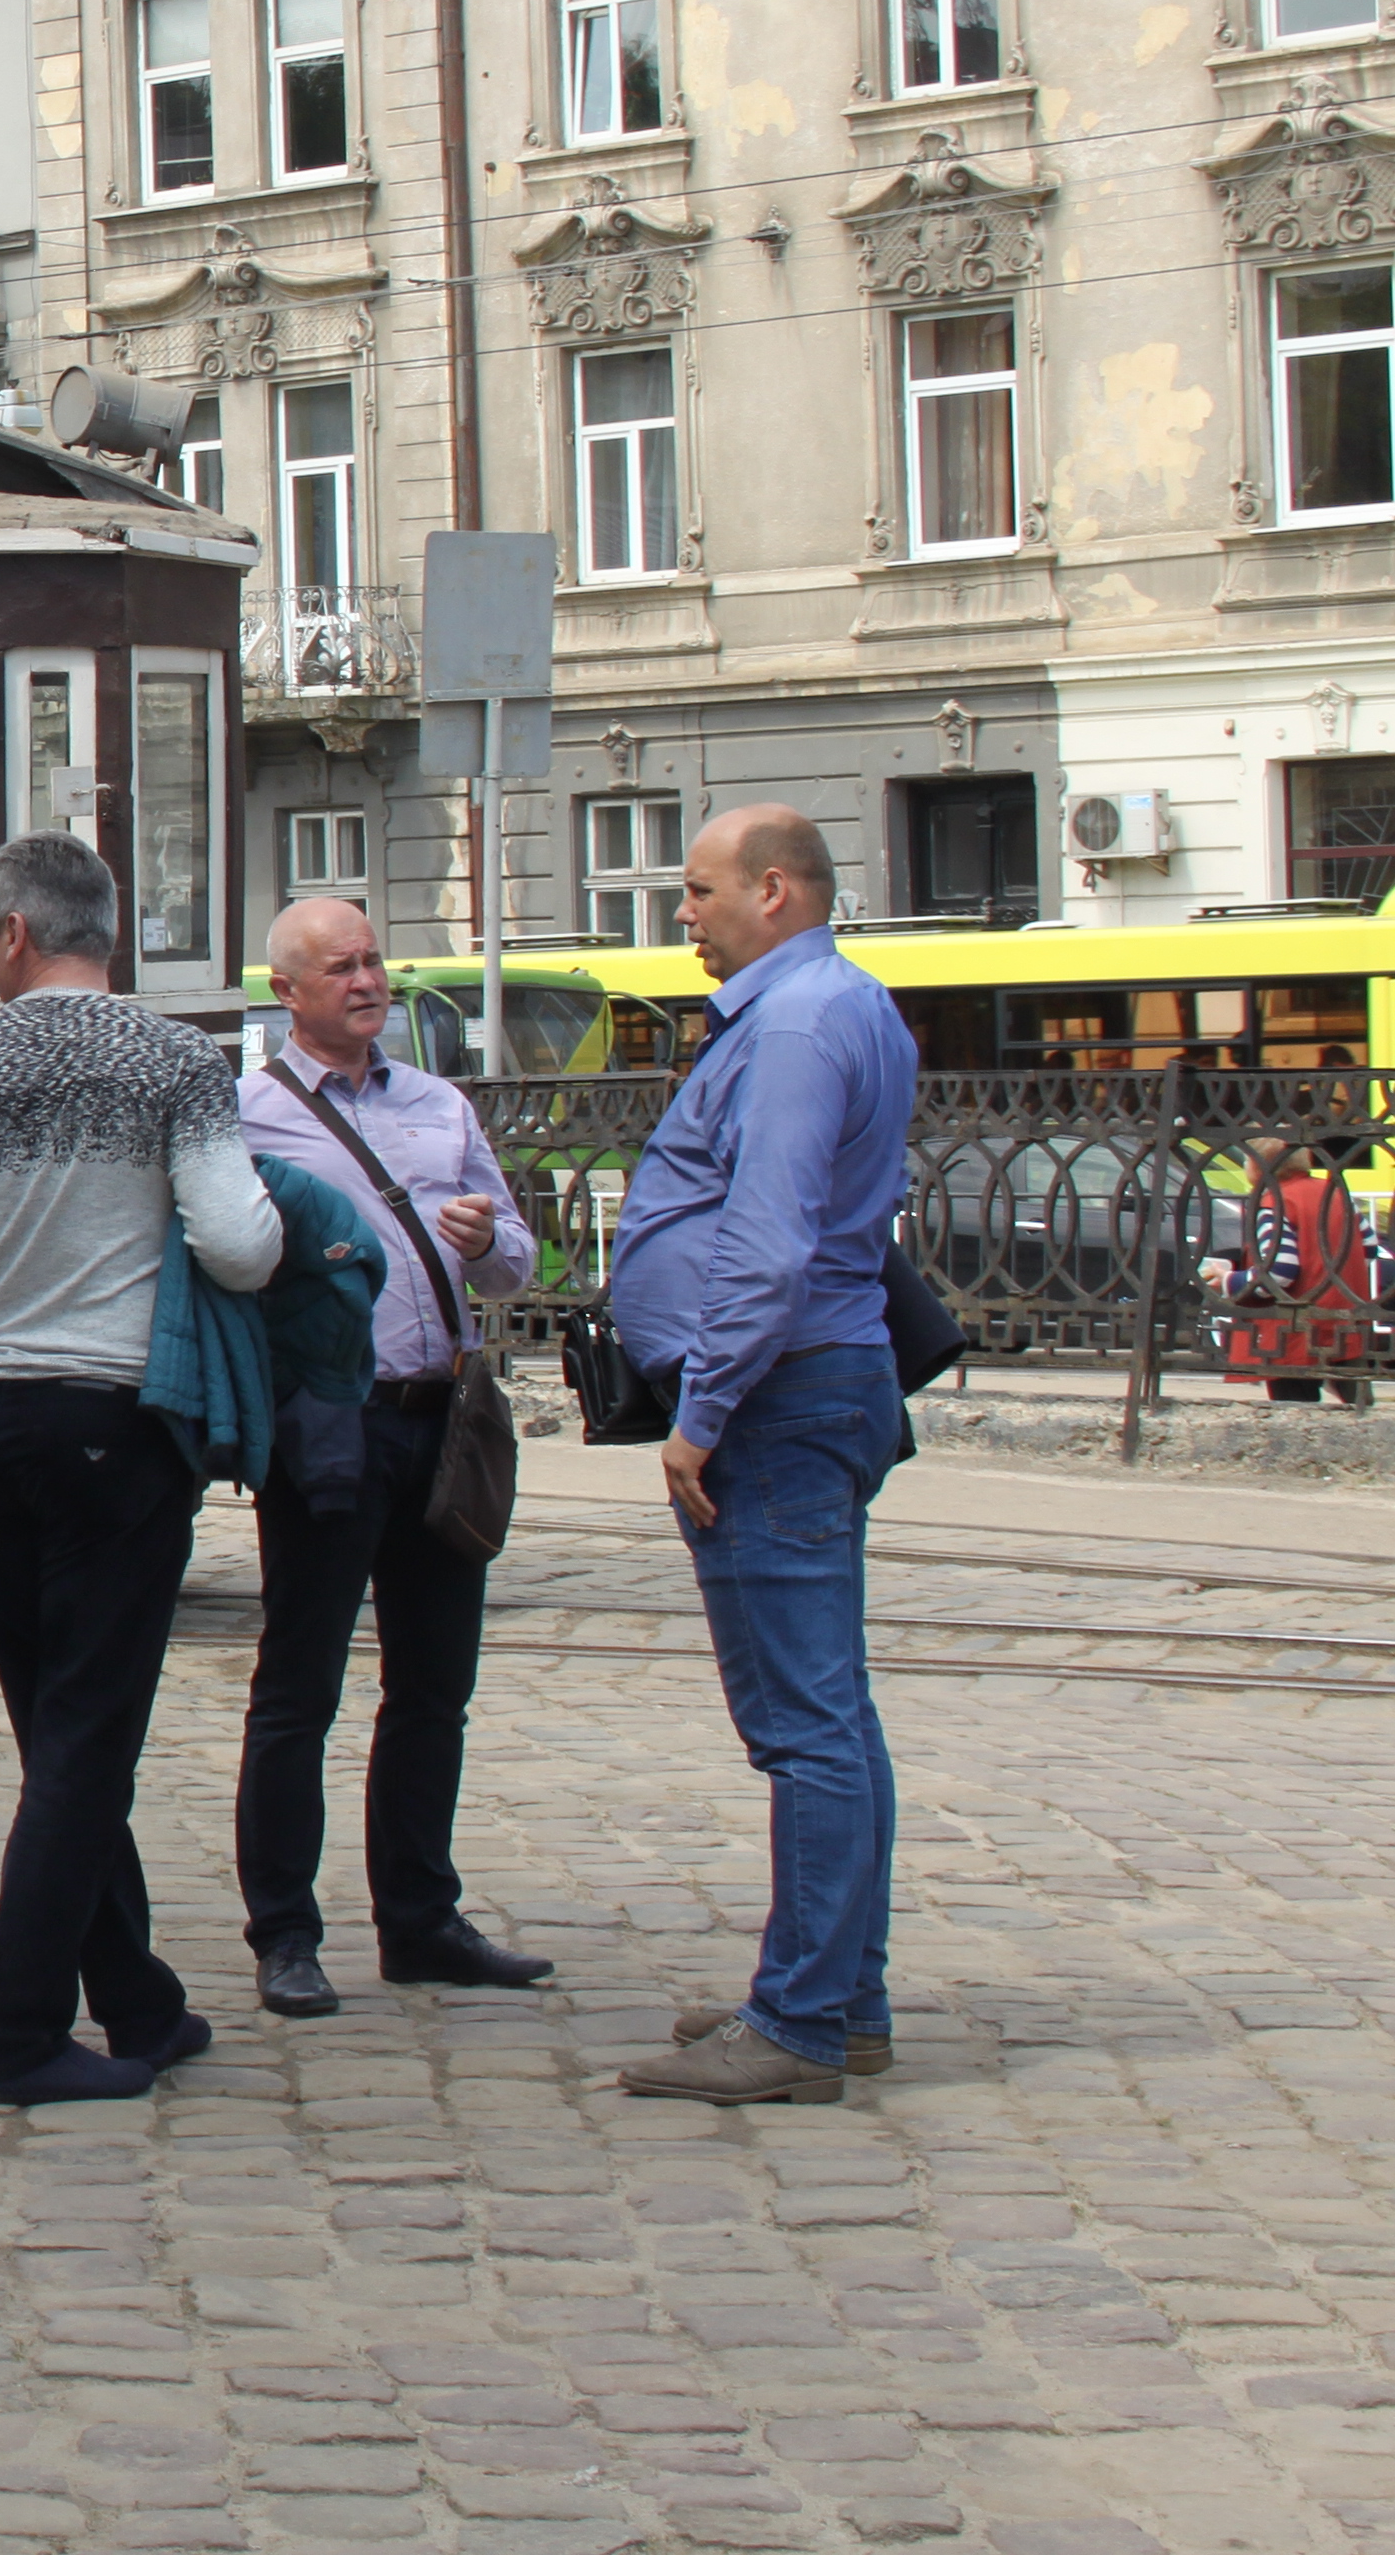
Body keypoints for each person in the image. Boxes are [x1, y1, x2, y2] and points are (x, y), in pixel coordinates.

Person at [0, 831, 284, 2107]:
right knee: (89, 1744)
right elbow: (242, 1245)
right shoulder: (172, 1059)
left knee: (58, 1732)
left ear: (6, 935)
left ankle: (140, 2004)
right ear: (108, 931)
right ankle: (18, 2037)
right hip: (114, 1424)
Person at [606, 803, 920, 2107]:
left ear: (775, 892)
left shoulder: (792, 1027)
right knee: (829, 1711)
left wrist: (702, 1413)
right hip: (809, 1386)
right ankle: (839, 1999)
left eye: (697, 892)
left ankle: (798, 2022)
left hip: (780, 1398)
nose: (683, 914)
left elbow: (771, 1242)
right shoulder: (839, 1006)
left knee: (806, 1723)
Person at [233, 899, 558, 2020]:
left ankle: (420, 1920)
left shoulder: (438, 1103)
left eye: (375, 961)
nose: (367, 980)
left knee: (433, 1684)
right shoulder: (249, 1113)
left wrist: (490, 1242)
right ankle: (284, 1932)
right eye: (341, 966)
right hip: (327, 1421)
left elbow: (516, 1263)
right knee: (300, 1684)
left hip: (440, 1419)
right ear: (289, 991)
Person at [1220, 1133, 1373, 1408]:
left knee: (1297, 1409)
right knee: (1359, 1408)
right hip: (1344, 1321)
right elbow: (1369, 1247)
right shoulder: (1335, 1194)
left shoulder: (1275, 1203)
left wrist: (1228, 1280)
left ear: (1259, 1166)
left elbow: (1279, 1273)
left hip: (1295, 1331)